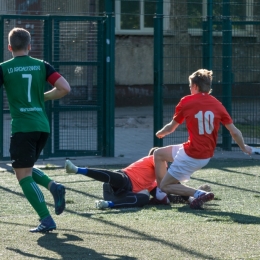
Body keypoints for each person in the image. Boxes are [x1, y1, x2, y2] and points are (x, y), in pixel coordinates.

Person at [0, 27, 71, 232]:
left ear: (9, 47)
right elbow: (65, 88)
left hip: (22, 127)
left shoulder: (4, 68)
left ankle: (46, 219)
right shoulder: (42, 65)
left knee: (22, 175)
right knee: (25, 169)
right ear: (30, 46)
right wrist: (43, 97)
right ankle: (54, 186)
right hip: (42, 126)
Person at [154, 69, 252, 209]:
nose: (189, 89)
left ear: (194, 86)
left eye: (190, 86)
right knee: (159, 154)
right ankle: (161, 195)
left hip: (192, 154)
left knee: (165, 185)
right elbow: (234, 132)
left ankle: (198, 194)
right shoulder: (218, 104)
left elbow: (171, 128)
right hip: (203, 155)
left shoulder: (186, 101)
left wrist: (160, 132)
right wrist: (243, 147)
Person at [65, 147, 210, 209]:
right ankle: (78, 169)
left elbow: (165, 197)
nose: (166, 164)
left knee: (143, 199)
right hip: (119, 181)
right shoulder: (152, 160)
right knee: (120, 178)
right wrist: (191, 195)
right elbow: (172, 183)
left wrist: (191, 199)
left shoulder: (154, 182)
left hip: (119, 196)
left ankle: (107, 205)